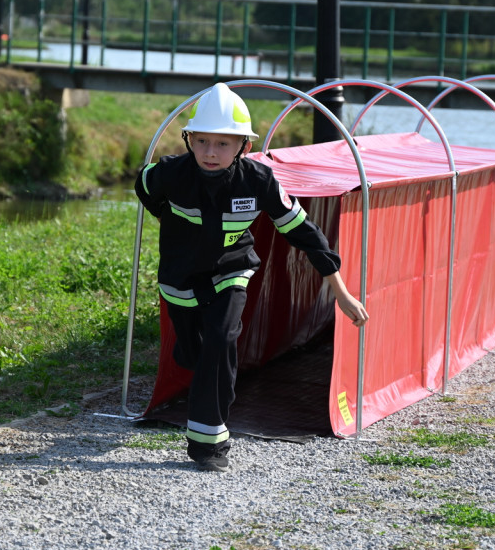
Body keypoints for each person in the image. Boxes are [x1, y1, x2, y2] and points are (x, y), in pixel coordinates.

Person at [135, 83, 369, 472]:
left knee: (221, 341)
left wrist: (341, 293)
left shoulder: (259, 181)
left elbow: (305, 233)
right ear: (188, 139)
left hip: (231, 272)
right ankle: (191, 354)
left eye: (223, 144)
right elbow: (143, 185)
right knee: (194, 354)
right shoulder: (171, 174)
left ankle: (209, 443)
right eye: (203, 141)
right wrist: (167, 217)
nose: (211, 152)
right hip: (179, 279)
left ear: (243, 146)